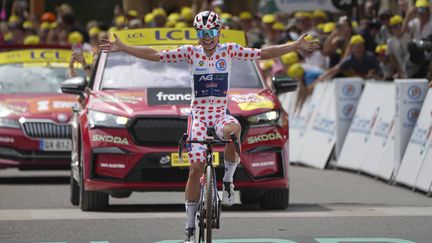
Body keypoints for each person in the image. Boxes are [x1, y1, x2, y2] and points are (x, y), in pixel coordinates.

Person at [99, 11, 319, 243]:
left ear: (219, 32)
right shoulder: (190, 52)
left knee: (234, 130)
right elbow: (155, 55)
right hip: (199, 116)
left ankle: (229, 181)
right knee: (195, 169)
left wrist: (295, 45)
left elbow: (263, 52)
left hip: (220, 114)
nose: (207, 37)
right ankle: (189, 227)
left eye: (211, 32)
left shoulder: (229, 50)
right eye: (203, 33)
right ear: (198, 34)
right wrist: (124, 47)